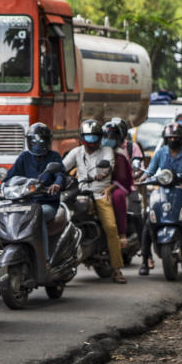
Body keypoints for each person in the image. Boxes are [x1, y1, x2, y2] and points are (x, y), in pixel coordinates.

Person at [63, 119, 126, 283]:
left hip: (100, 194)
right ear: (82, 137)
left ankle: (116, 269)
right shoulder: (76, 152)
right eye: (88, 138)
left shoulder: (106, 151)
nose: (92, 142)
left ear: (100, 138)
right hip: (80, 192)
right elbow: (63, 166)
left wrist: (100, 174)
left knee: (111, 228)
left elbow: (107, 167)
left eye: (94, 138)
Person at [137, 122, 182, 276]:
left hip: (181, 193)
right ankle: (145, 259)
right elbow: (150, 171)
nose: (173, 139)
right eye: (170, 137)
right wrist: (140, 179)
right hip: (162, 194)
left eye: (176, 137)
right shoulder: (160, 153)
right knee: (148, 222)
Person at [5, 122, 65, 262]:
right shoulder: (24, 157)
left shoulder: (54, 157)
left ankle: (44, 258)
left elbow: (60, 174)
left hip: (46, 204)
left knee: (39, 215)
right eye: (34, 141)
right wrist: (0, 189)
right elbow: (10, 176)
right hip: (25, 203)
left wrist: (57, 184)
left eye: (41, 140)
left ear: (48, 141)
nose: (38, 144)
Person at [102, 119, 134, 248]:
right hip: (96, 185)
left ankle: (122, 234)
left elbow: (121, 179)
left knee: (117, 197)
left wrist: (109, 189)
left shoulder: (119, 155)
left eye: (112, 137)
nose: (108, 139)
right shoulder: (97, 151)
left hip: (115, 187)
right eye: (106, 136)